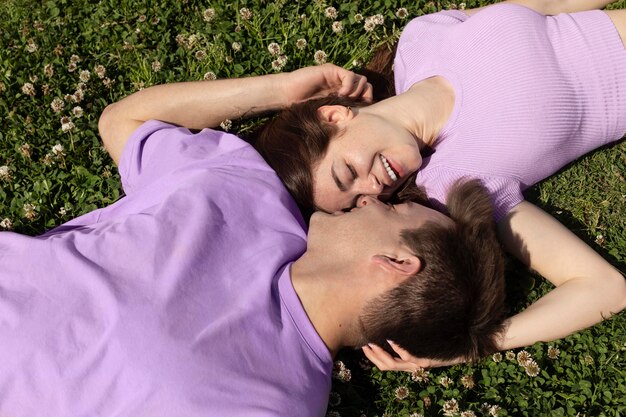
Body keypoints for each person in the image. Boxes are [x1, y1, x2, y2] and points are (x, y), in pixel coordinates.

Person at [0, 66, 507, 415]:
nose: (371, 199)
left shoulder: (280, 402)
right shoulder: (246, 188)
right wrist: (282, 91)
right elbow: (123, 122)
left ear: (397, 261)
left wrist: (468, 342)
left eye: (393, 205)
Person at [254, 0, 626, 368]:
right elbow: (604, 287)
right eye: (357, 200)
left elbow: (551, 5)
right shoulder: (453, 180)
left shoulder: (420, 40)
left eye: (348, 172)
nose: (373, 189)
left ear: (334, 116)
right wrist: (474, 346)